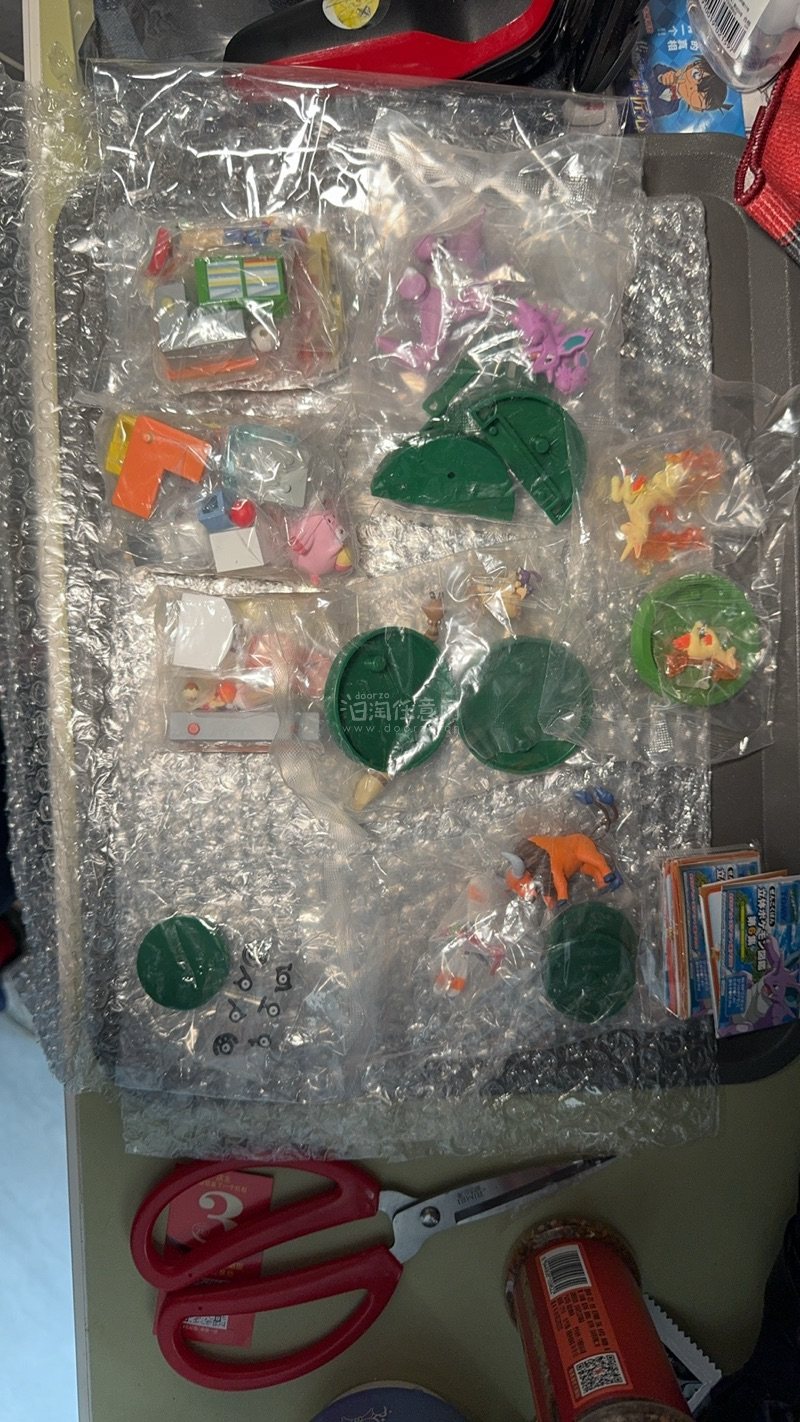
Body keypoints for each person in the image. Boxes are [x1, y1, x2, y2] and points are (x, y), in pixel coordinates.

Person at [649, 56, 733, 116]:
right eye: (696, 75)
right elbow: (653, 70)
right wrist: (661, 77)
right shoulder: (668, 73)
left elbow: (652, 115)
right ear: (689, 67)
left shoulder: (672, 108)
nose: (692, 87)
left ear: (697, 108)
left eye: (699, 97)